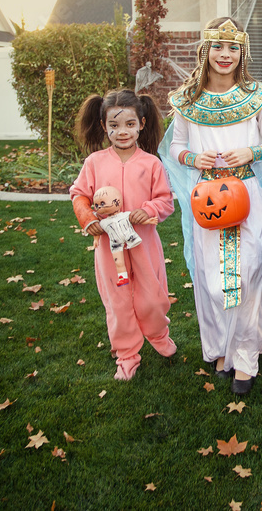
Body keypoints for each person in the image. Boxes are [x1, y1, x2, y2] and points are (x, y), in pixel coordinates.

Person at [164, 16, 262, 396]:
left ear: (243, 52)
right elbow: (175, 147)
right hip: (206, 196)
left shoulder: (259, 96)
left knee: (248, 274)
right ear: (206, 50)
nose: (225, 55)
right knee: (213, 279)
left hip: (247, 193)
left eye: (233, 48)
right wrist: (193, 158)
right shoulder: (187, 101)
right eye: (218, 47)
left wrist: (251, 152)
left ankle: (245, 358)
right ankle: (221, 348)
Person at [70, 89, 176, 381]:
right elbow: (79, 195)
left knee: (152, 297)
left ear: (142, 123)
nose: (122, 132)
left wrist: (148, 209)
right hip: (109, 247)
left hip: (144, 243)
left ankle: (158, 332)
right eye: (114, 125)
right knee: (118, 300)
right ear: (103, 126)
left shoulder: (151, 164)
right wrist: (88, 219)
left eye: (129, 124)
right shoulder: (94, 163)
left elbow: (165, 201)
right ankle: (127, 354)